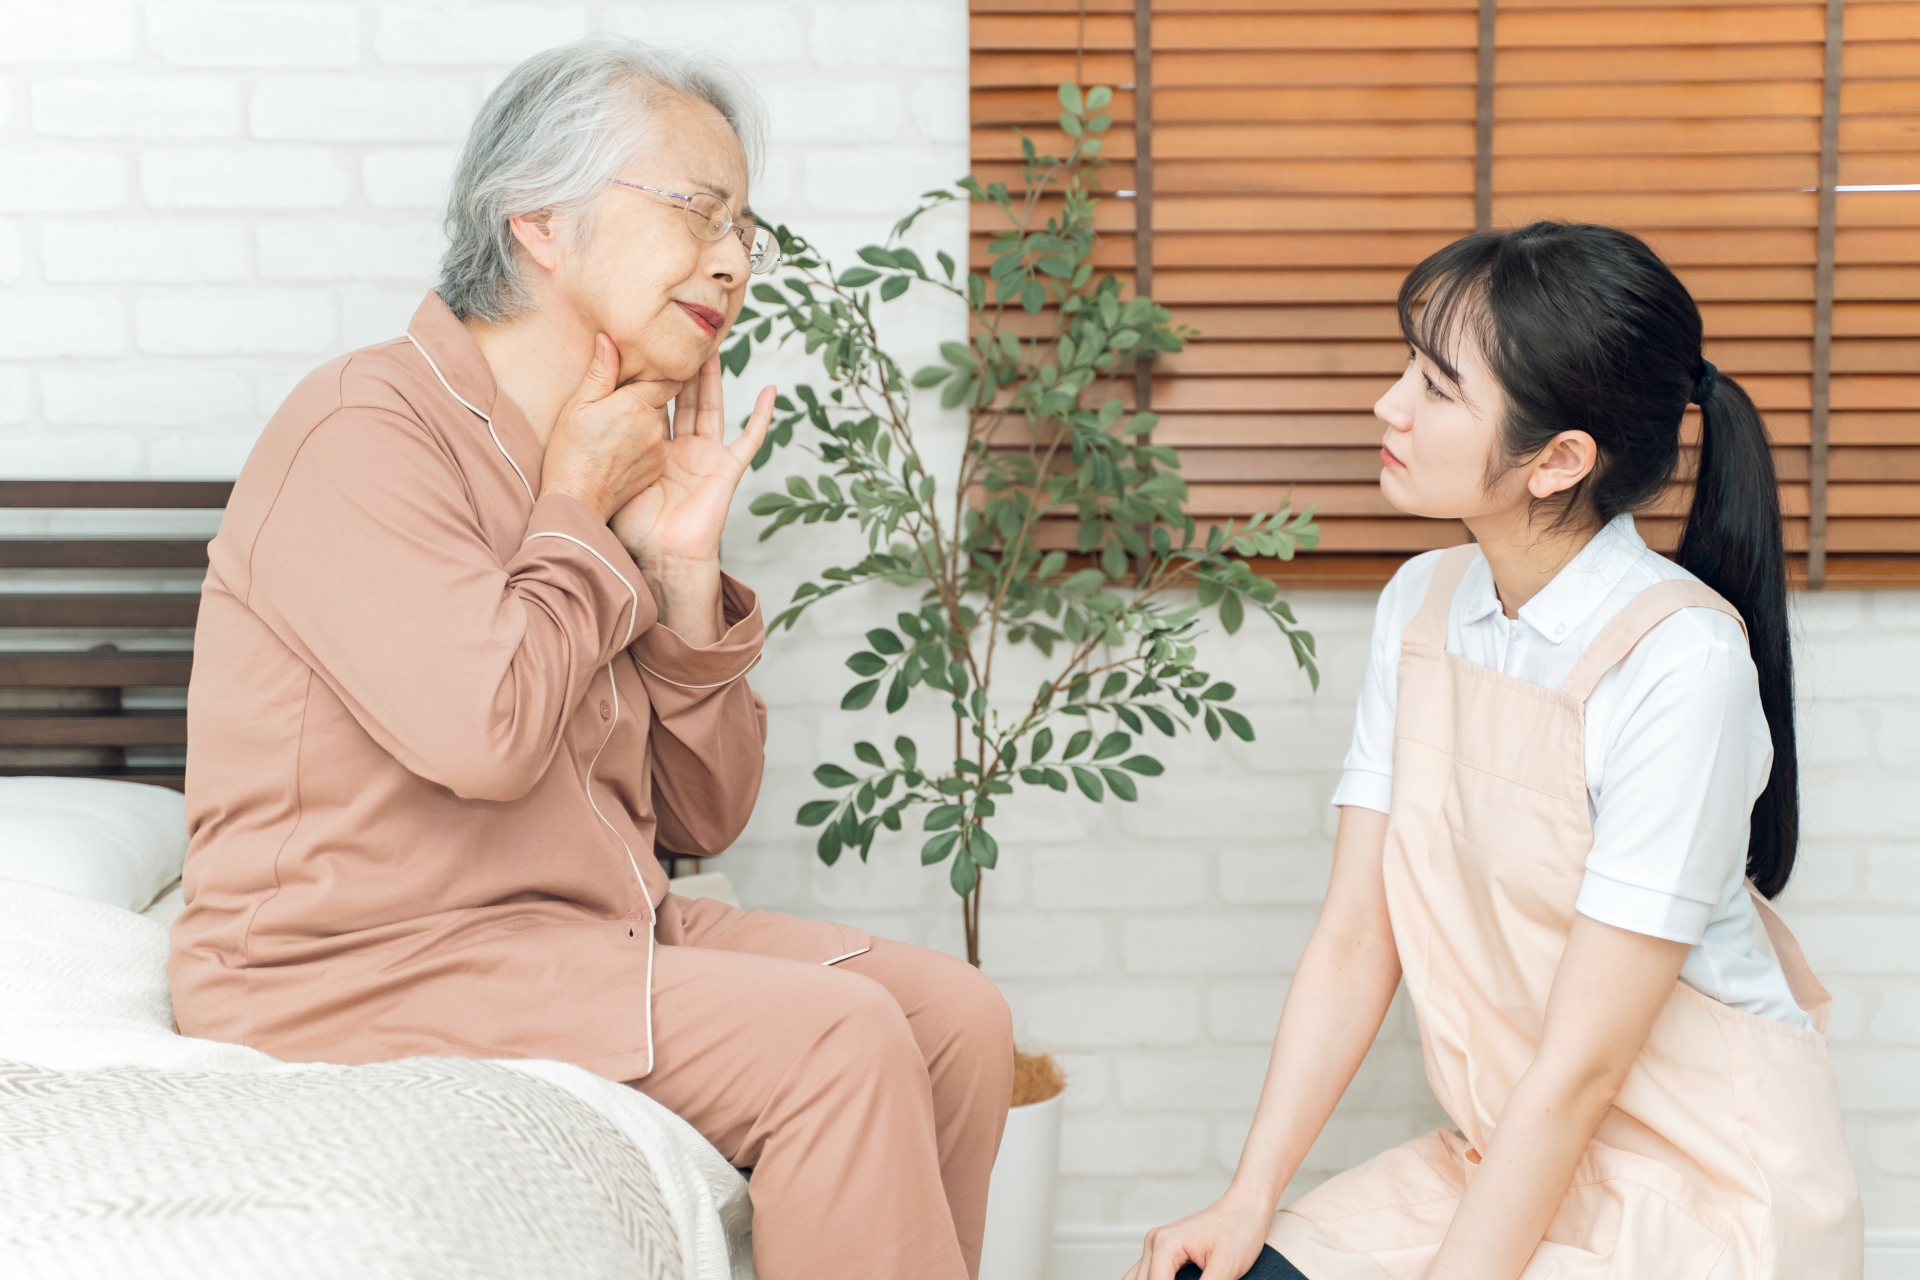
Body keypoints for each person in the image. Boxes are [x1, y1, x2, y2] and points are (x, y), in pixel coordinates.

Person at [167, 37, 1011, 1280]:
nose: (731, 259)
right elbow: (485, 736)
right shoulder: (361, 427)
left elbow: (704, 813)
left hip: (588, 932)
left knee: (961, 1018)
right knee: (836, 1040)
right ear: (539, 222)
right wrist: (572, 510)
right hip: (357, 964)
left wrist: (674, 565)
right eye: (694, 210)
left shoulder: (605, 456)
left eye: (745, 228)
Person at [1131, 222, 1862, 1280]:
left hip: (1698, 1195)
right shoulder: (1421, 603)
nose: (1389, 403)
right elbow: (1353, 937)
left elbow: (1582, 1068)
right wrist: (1249, 1196)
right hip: (1505, 1155)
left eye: (1434, 385)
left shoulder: (1682, 664)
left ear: (1559, 459)